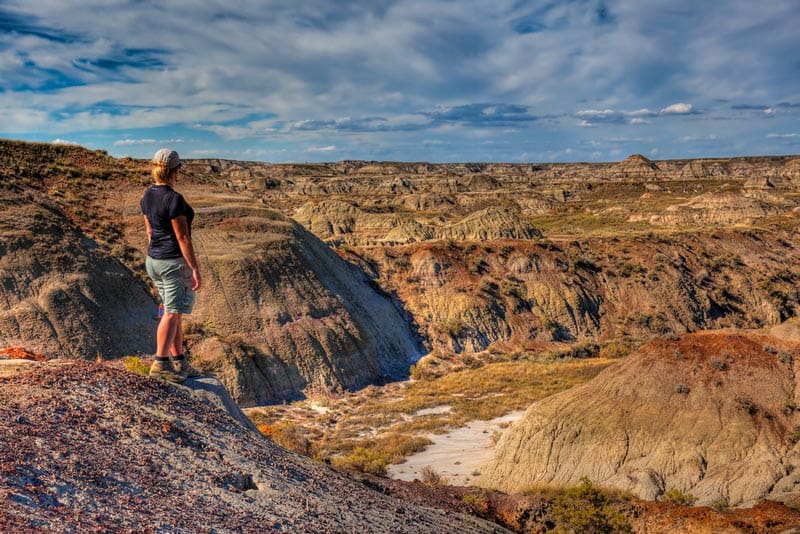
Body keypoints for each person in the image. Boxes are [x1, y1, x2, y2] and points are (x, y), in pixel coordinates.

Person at [141, 148, 202, 382]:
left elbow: (149, 232)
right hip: (172, 263)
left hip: (154, 260)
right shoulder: (173, 199)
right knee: (171, 312)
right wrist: (194, 268)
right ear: (176, 170)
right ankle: (160, 364)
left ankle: (179, 361)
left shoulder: (147, 196)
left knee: (173, 312)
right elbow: (182, 237)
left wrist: (158, 253)